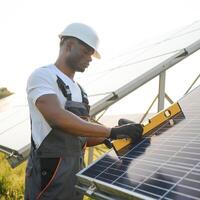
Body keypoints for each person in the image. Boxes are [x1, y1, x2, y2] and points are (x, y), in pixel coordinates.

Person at [24, 23, 143, 200]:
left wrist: (113, 135)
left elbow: (83, 135)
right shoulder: (43, 76)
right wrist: (110, 131)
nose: (90, 59)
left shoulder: (81, 91)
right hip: (48, 171)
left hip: (75, 170)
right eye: (87, 51)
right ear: (69, 45)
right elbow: (57, 117)